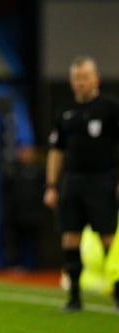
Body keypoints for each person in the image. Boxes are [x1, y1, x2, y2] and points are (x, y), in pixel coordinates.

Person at [44, 55, 119, 311]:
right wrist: (52, 185)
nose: (80, 82)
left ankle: (117, 291)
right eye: (76, 78)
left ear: (95, 79)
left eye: (85, 77)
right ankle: (74, 296)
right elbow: (56, 151)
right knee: (70, 235)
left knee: (107, 235)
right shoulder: (65, 112)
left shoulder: (110, 108)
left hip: (103, 179)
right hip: (72, 181)